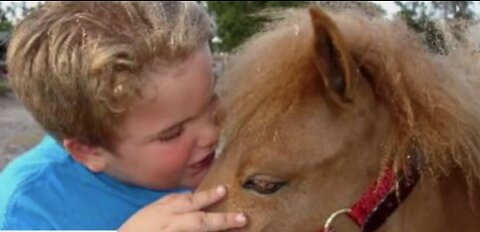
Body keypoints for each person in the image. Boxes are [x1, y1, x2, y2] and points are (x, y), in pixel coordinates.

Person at [0, 1, 247, 231]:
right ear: (90, 151)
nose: (213, 133)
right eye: (173, 133)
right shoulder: (26, 210)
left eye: (212, 103)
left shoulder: (204, 159)